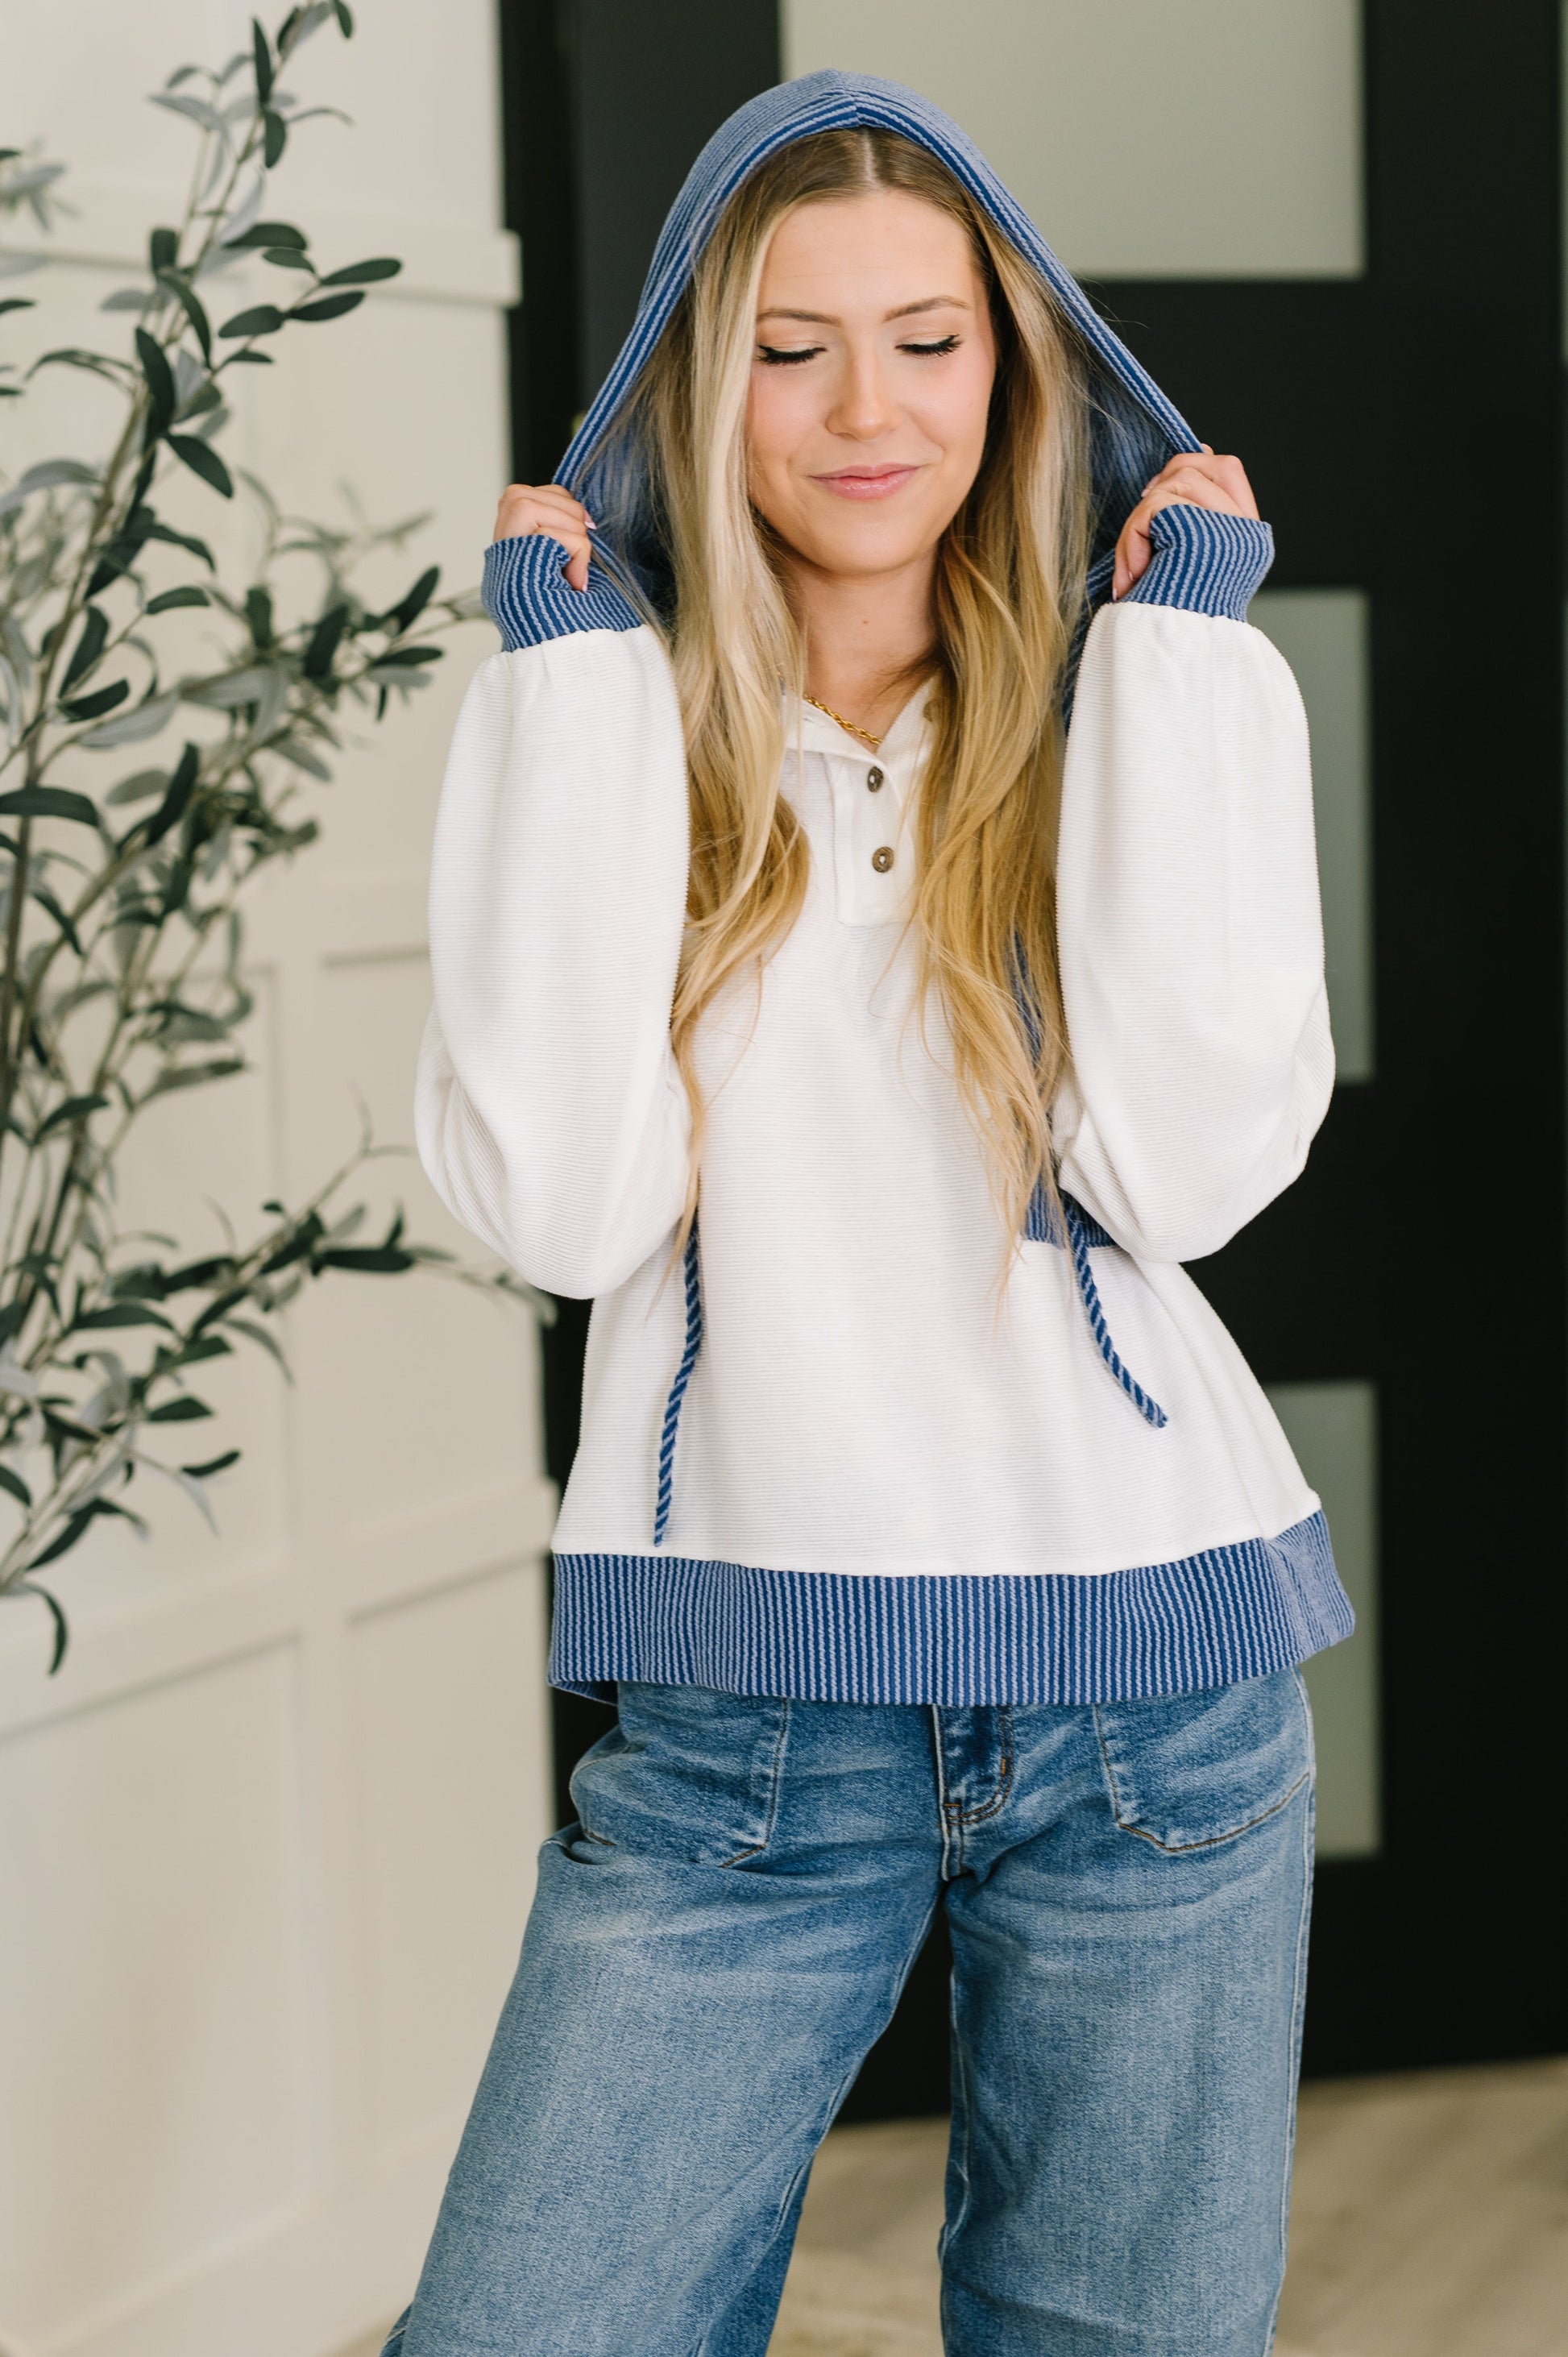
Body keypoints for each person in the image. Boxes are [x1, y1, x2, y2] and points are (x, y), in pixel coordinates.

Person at [385, 70, 1351, 2357]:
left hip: (1154, 1693)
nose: (859, 410)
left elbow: (1186, 1168)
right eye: (788, 346)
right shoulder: (611, 738)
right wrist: (565, 689)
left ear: (1009, 368)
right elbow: (555, 1198)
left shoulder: (1139, 701)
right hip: (745, 1714)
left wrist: (1191, 660)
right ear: (700, 386)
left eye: (925, 338)